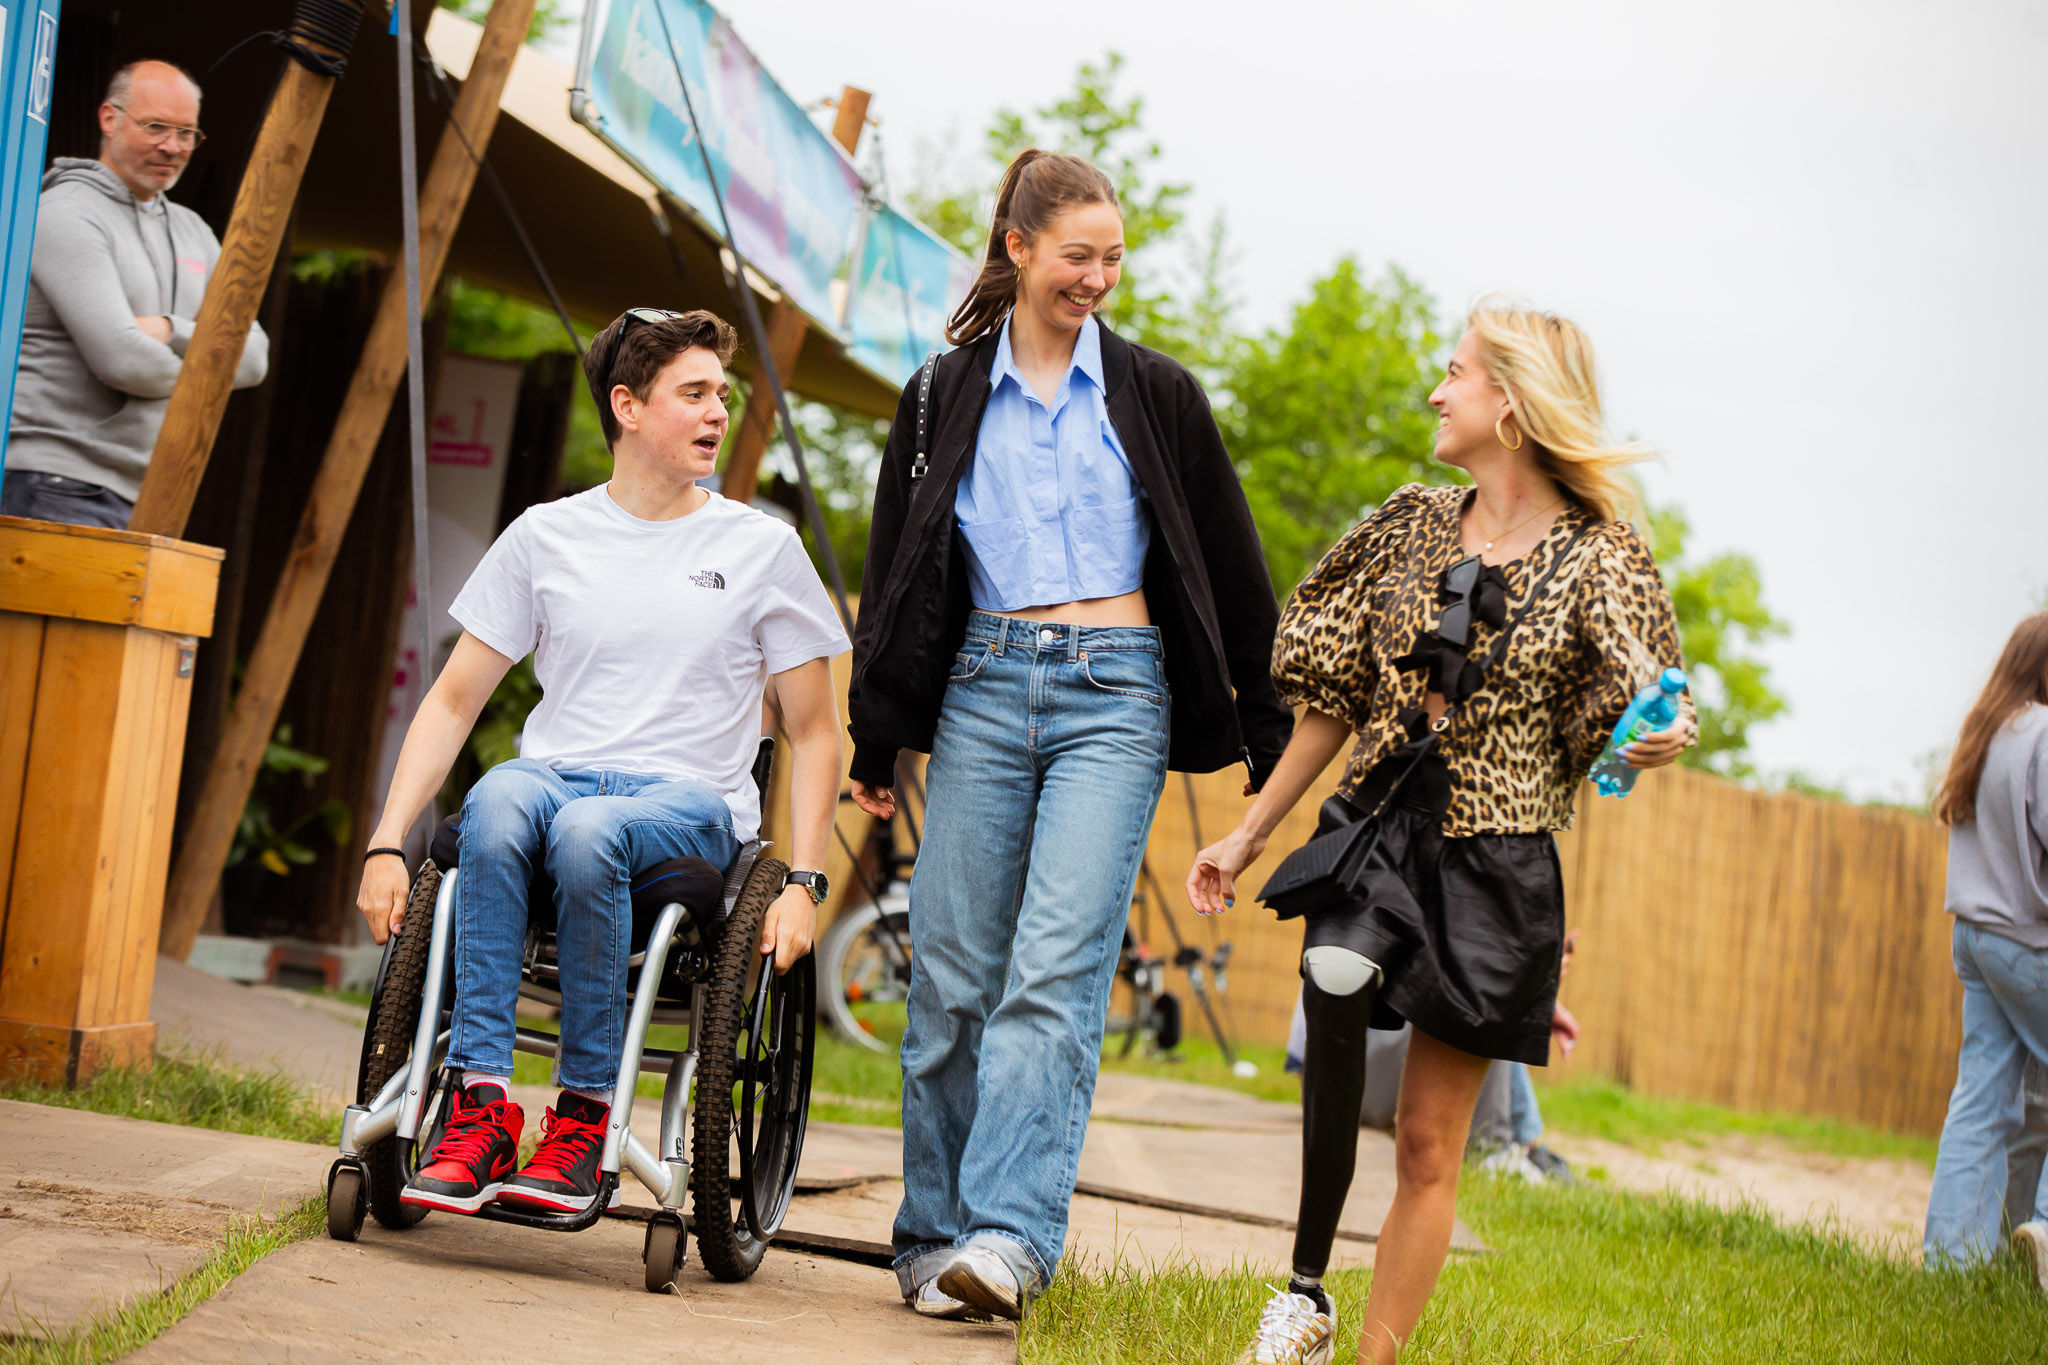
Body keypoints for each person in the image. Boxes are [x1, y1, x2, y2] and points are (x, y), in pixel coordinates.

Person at [1188, 302, 1692, 1364]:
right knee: (1330, 967)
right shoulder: (1407, 525)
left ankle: (1369, 1356)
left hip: (1497, 863)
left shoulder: (1603, 561)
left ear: (1508, 403)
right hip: (1377, 825)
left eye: (1452, 372)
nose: (1433, 390)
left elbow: (1629, 719)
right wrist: (1247, 834)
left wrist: (1651, 739)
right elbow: (1326, 699)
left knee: (1426, 1141)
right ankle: (1303, 1292)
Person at [847, 148, 1292, 1322]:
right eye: (1075, 256)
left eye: (1111, 260)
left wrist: (1265, 730)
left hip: (1117, 695)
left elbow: (1232, 572)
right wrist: (874, 739)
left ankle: (1006, 1238)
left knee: (1051, 976)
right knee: (948, 980)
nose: (1095, 278)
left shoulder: (1155, 394)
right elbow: (897, 571)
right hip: (984, 692)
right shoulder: (941, 395)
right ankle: (930, 1234)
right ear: (1016, 247)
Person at [353, 309, 847, 1217]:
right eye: (693, 394)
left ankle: (585, 1118)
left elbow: (817, 731)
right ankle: (481, 1107)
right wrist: (389, 840)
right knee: (497, 798)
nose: (716, 415)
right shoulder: (547, 534)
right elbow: (455, 698)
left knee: (589, 830)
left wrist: (804, 883)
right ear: (626, 405)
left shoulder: (762, 549)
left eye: (723, 397)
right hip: (554, 780)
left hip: (689, 806)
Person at [3, 61, 268, 527]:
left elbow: (256, 357)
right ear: (109, 118)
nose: (172, 146)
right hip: (56, 482)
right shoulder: (65, 213)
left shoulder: (194, 231)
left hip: (149, 491)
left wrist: (169, 330)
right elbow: (125, 362)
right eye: (156, 127)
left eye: (187, 133)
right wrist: (210, 369)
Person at [1923, 612, 2048, 1294]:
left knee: (1981, 1098)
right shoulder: (2047, 734)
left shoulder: (1987, 727)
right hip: (2030, 940)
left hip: (1973, 934)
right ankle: (2047, 1232)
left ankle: (1951, 1265)